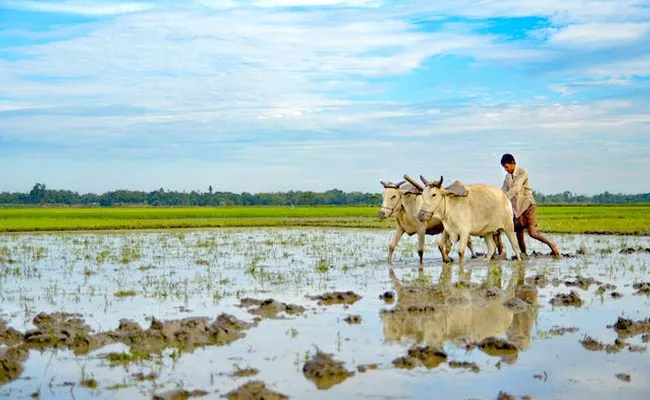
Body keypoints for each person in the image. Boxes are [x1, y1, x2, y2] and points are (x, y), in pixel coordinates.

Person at [500, 153, 560, 257]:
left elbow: (516, 188)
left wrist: (505, 196)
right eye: (504, 167)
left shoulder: (522, 172)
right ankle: (523, 253)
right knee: (519, 233)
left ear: (513, 163)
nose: (505, 169)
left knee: (532, 233)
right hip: (516, 208)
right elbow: (503, 190)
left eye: (506, 166)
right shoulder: (507, 177)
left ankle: (552, 245)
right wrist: (497, 197)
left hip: (528, 205)